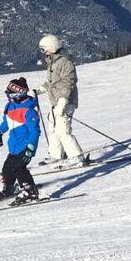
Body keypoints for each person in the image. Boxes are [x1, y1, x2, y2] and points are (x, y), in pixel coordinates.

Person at [36, 33, 85, 167]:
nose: (43, 52)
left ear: (51, 47)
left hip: (66, 102)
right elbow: (52, 82)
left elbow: (69, 82)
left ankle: (77, 157)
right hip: (56, 102)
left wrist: (63, 101)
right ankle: (56, 155)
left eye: (43, 49)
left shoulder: (65, 62)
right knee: (53, 128)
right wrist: (40, 90)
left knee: (63, 131)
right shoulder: (52, 62)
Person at [0, 77, 41, 203]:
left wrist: (30, 148)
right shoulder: (10, 106)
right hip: (14, 145)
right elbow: (6, 122)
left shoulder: (28, 111)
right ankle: (8, 188)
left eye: (10, 94)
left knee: (20, 169)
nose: (8, 96)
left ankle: (30, 191)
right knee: (7, 168)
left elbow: (35, 131)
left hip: (25, 145)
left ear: (18, 95)